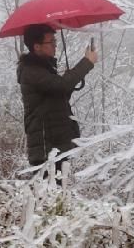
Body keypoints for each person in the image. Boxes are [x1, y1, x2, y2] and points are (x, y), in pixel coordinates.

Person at [17, 24, 97, 179]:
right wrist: (87, 62)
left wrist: (69, 78)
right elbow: (61, 86)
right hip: (47, 148)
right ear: (37, 46)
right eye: (51, 42)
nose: (55, 45)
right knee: (50, 197)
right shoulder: (32, 71)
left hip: (55, 145)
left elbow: (57, 96)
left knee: (56, 196)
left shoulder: (42, 69)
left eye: (55, 41)